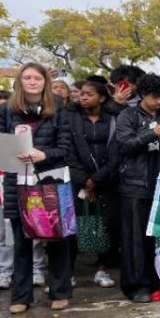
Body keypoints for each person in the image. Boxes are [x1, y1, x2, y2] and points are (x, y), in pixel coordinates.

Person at [2, 63, 72, 313]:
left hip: (50, 180)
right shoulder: (7, 110)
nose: (32, 82)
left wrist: (43, 154)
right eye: (27, 77)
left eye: (37, 78)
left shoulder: (60, 108)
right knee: (20, 242)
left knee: (56, 239)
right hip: (17, 182)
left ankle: (60, 291)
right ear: (20, 81)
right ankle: (20, 296)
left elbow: (65, 148)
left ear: (45, 81)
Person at [114, 74, 160, 303]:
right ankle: (136, 285)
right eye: (154, 97)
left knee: (157, 236)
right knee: (134, 237)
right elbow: (124, 145)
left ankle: (156, 281)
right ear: (143, 94)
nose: (159, 102)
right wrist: (152, 133)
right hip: (134, 183)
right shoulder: (128, 115)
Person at [63, 79, 123, 290]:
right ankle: (68, 273)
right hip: (78, 180)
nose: (84, 97)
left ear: (102, 98)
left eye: (89, 94)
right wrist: (85, 181)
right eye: (82, 94)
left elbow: (117, 154)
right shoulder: (71, 119)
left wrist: (97, 179)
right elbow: (67, 151)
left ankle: (102, 269)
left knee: (106, 225)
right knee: (73, 226)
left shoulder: (114, 120)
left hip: (107, 181)